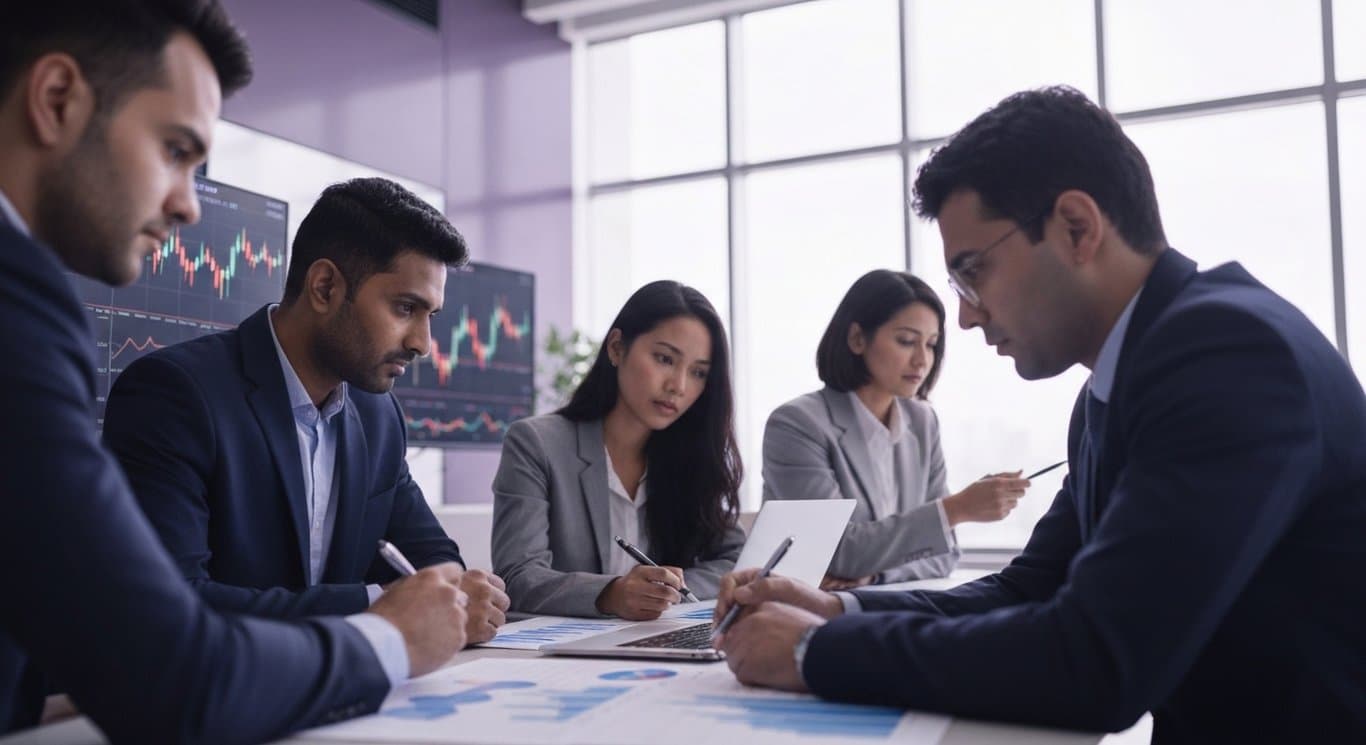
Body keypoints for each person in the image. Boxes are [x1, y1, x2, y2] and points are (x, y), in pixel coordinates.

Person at [712, 86, 1366, 742]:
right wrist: (835, 608)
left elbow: (1095, 661)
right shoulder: (1113, 390)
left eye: (972, 273)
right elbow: (1028, 589)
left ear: (1077, 228)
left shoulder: (1226, 354)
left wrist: (811, 653)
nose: (964, 316)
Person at [0, 3, 470, 742]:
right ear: (57, 99)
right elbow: (165, 661)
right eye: (174, 149)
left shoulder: (376, 416)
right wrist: (388, 635)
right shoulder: (33, 317)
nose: (189, 203)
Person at [103, 177, 510, 644]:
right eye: (404, 308)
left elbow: (428, 552)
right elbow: (172, 603)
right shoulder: (176, 395)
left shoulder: (378, 417)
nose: (421, 343)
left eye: (430, 317)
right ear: (324, 287)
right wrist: (381, 606)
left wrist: (457, 593)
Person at [492, 280, 745, 619]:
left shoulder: (691, 456)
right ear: (616, 348)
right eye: (665, 359)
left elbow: (736, 562)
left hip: (656, 637)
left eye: (698, 372)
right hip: (567, 654)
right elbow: (518, 577)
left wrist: (665, 591)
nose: (679, 386)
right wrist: (611, 594)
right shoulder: (537, 443)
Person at [763, 269, 1028, 589]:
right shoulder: (797, 424)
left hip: (884, 607)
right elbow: (839, 553)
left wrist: (875, 575)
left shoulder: (922, 422)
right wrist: (955, 509)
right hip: (800, 613)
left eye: (931, 345)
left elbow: (945, 555)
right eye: (906, 341)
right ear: (857, 339)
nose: (922, 360)